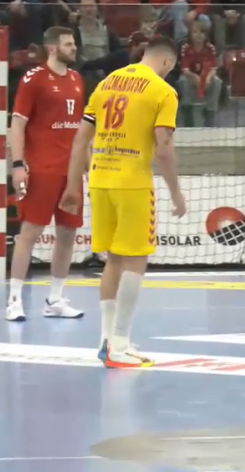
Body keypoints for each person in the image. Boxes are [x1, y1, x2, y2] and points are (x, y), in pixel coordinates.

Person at [59, 36, 187, 368]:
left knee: (113, 259)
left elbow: (80, 139)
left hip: (100, 180)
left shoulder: (106, 83)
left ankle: (107, 341)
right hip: (132, 183)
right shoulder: (163, 91)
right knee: (136, 260)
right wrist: (175, 190)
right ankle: (120, 343)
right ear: (168, 62)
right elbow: (164, 148)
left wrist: (73, 186)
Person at [6, 27, 86, 322]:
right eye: (68, 44)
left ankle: (55, 299)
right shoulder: (34, 79)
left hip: (70, 172)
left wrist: (87, 164)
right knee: (30, 232)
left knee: (68, 234)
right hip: (42, 169)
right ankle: (14, 300)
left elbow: (80, 128)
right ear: (53, 48)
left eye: (74, 43)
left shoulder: (76, 79)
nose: (74, 48)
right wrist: (18, 165)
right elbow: (17, 124)